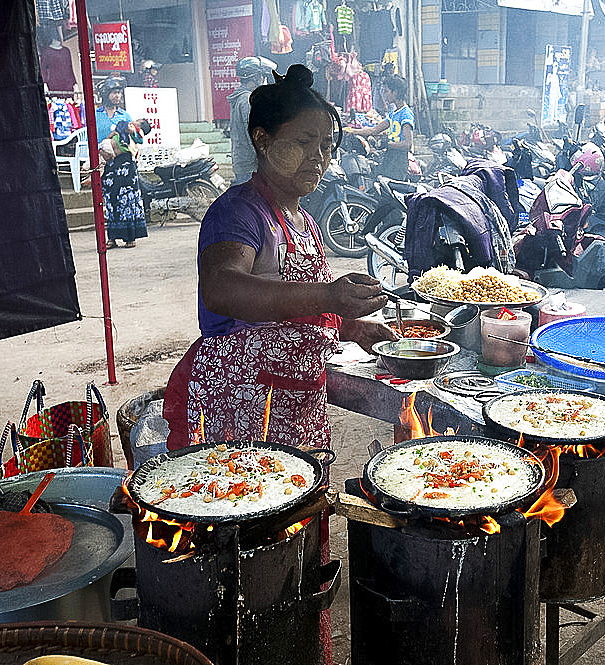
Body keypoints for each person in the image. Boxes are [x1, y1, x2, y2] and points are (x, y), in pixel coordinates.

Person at [162, 65, 393, 665]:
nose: (318, 158)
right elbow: (224, 290)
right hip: (238, 407)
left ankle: (294, 644)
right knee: (246, 545)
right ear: (261, 140)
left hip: (293, 405)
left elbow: (293, 306)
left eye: (326, 144)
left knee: (295, 541)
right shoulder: (239, 212)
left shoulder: (306, 222)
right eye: (302, 142)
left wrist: (348, 324)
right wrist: (327, 297)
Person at [95, 76, 147, 248]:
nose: (117, 96)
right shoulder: (96, 115)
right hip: (107, 162)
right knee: (110, 200)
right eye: (114, 93)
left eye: (119, 93)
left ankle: (130, 236)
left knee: (128, 199)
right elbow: (91, 137)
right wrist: (100, 151)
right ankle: (112, 237)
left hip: (125, 164)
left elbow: (138, 140)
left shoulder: (125, 115)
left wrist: (133, 132)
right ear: (106, 94)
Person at [346, 74, 413, 178]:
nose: (385, 95)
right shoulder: (393, 113)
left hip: (399, 161)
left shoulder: (405, 114)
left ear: (395, 92)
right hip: (390, 157)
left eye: (387, 91)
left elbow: (407, 144)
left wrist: (386, 144)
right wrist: (353, 131)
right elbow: (375, 130)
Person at [228, 55, 278, 185]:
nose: (264, 80)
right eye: (263, 76)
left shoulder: (241, 97)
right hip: (249, 166)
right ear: (255, 77)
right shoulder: (247, 100)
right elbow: (252, 133)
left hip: (244, 163)